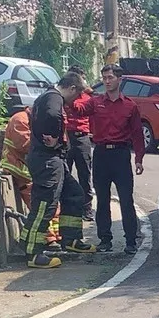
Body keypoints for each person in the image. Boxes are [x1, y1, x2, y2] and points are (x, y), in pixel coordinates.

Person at [19, 71, 97, 269]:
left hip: (53, 159)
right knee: (46, 205)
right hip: (47, 160)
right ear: (72, 88)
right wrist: (53, 136)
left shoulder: (46, 97)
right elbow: (53, 116)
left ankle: (70, 239)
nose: (76, 101)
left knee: (74, 193)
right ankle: (33, 252)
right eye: (77, 94)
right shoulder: (54, 98)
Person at [71, 65, 145, 254]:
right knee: (102, 200)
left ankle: (131, 241)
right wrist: (73, 90)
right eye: (104, 78)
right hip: (102, 155)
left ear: (119, 79)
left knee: (126, 199)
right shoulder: (95, 102)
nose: (107, 81)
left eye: (110, 77)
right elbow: (77, 110)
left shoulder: (130, 106)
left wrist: (139, 159)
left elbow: (137, 134)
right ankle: (105, 239)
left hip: (120, 155)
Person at [0, 104, 59, 248]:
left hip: (30, 169)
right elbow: (25, 145)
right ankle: (49, 239)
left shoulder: (32, 120)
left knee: (50, 202)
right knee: (39, 204)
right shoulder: (20, 120)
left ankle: (56, 236)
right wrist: (47, 143)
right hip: (19, 168)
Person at [63, 72, 95, 222]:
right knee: (64, 172)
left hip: (82, 137)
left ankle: (87, 208)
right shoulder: (63, 97)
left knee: (85, 174)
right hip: (66, 135)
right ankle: (65, 206)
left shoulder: (87, 97)